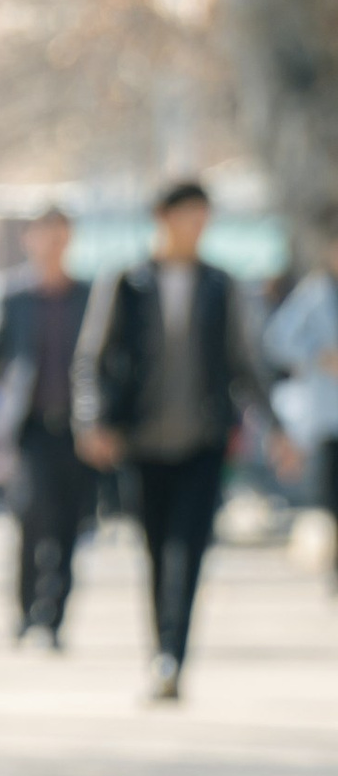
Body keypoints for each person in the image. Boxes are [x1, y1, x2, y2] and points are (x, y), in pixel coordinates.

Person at [77, 179, 272, 700]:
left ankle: (172, 657)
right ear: (163, 218)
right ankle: (160, 649)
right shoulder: (127, 282)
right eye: (189, 216)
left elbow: (245, 363)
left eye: (204, 218)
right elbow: (92, 360)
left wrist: (275, 428)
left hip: (204, 441)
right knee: (156, 548)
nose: (197, 227)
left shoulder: (221, 285)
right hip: (141, 442)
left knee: (190, 547)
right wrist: (91, 422)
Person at [0, 208, 96, 649]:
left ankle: (56, 617)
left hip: (77, 428)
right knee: (30, 516)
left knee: (70, 523)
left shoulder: (88, 296)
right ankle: (27, 609)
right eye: (44, 236)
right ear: (31, 240)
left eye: (60, 236)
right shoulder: (16, 298)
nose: (52, 245)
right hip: (28, 428)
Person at [266, 216, 338, 591]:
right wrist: (318, 356)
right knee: (331, 496)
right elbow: (278, 339)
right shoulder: (316, 293)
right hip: (328, 414)